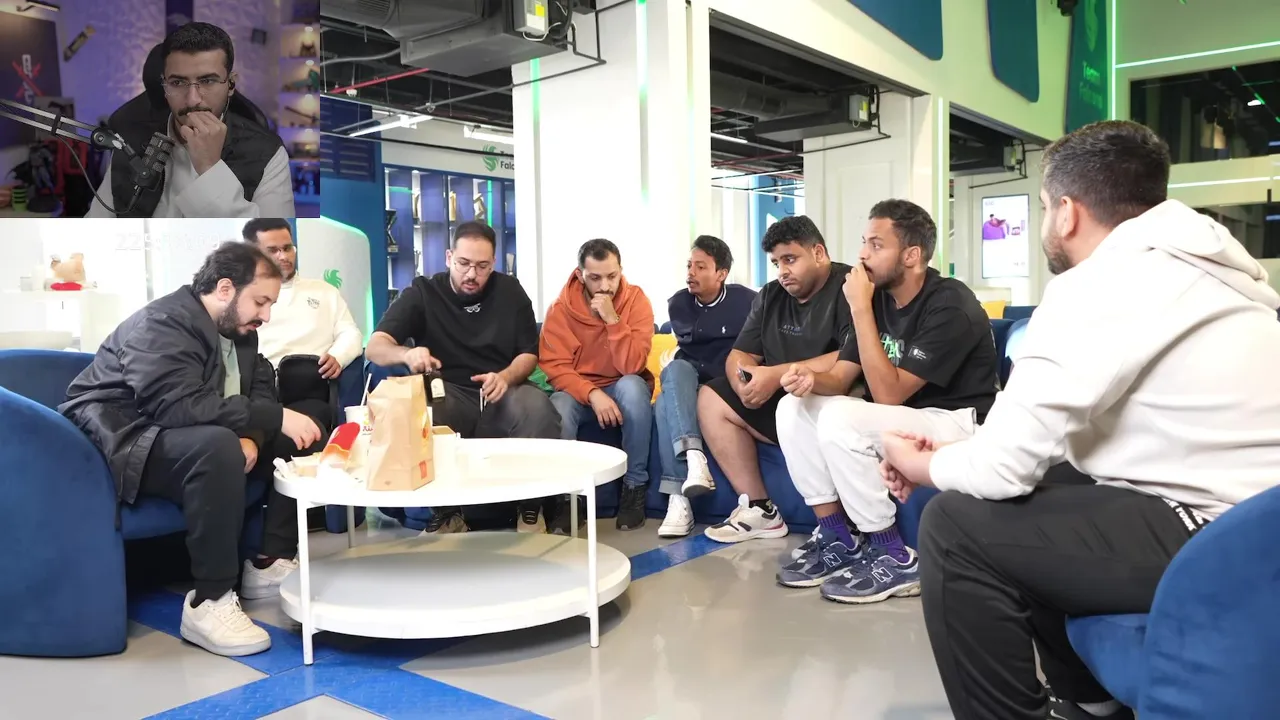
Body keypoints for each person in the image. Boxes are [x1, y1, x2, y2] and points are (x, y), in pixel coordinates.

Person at [878, 121, 1280, 720]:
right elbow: (1041, 444)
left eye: (1044, 207)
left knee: (955, 527)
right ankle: (1091, 703)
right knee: (1046, 485)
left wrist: (921, 465)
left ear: (1067, 213)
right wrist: (948, 447)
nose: (1047, 221)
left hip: (1222, 538)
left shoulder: (1101, 283)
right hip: (1259, 521)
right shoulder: (1211, 276)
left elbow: (1001, 470)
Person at [59, 242, 324, 657]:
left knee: (301, 428)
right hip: (124, 436)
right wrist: (265, 420)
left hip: (180, 428)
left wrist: (254, 436)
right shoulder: (162, 323)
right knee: (219, 446)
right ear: (225, 288)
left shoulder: (240, 330)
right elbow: (175, 405)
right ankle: (209, 602)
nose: (266, 315)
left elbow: (259, 389)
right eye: (260, 302)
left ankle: (268, 561)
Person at [772, 199, 998, 602]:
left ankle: (894, 555)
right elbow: (841, 377)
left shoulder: (950, 303)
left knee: (841, 418)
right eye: (863, 242)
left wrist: (859, 308)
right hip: (905, 417)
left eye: (876, 245)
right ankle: (839, 537)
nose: (862, 254)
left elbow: (889, 395)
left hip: (956, 422)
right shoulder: (877, 299)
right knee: (793, 407)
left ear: (911, 255)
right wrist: (810, 378)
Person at [366, 221, 561, 533]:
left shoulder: (511, 292)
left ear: (493, 263)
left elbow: (528, 354)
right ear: (448, 258)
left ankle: (529, 507)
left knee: (537, 408)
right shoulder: (424, 292)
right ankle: (447, 512)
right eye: (463, 263)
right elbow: (375, 347)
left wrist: (506, 376)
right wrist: (407, 354)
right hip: (448, 390)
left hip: (502, 389)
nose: (472, 274)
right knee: (422, 407)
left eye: (482, 266)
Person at [696, 215, 854, 544]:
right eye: (776, 263)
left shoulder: (849, 287)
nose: (782, 271)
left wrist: (775, 374)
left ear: (818, 253)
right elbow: (740, 354)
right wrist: (744, 382)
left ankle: (841, 527)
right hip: (780, 399)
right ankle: (760, 509)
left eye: (790, 259)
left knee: (798, 408)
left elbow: (850, 356)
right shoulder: (770, 295)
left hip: (832, 401)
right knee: (711, 397)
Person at [87, 22, 293, 218]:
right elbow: (97, 227)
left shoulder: (267, 153)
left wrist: (210, 167)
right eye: (178, 83)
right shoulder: (129, 142)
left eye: (208, 81)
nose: (193, 99)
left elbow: (273, 238)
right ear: (164, 85)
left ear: (231, 85)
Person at [541, 239, 655, 533]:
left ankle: (634, 487)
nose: (605, 286)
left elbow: (633, 365)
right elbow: (556, 369)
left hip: (621, 386)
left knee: (633, 387)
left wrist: (613, 320)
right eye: (595, 278)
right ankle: (568, 497)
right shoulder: (560, 309)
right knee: (559, 405)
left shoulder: (636, 300)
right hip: (579, 392)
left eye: (612, 276)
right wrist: (591, 393)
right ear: (580, 275)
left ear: (621, 271)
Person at [654, 235, 756, 537]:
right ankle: (694, 462)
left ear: (721, 273)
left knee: (664, 405)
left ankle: (678, 499)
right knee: (674, 372)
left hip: (725, 387)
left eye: (700, 267)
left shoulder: (746, 302)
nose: (691, 273)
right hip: (690, 381)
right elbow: (687, 352)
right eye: (689, 266)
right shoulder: (678, 304)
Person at [243, 219, 363, 377]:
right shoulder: (241, 297)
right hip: (262, 381)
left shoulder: (325, 291)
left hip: (317, 379)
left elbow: (351, 334)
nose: (283, 256)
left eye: (287, 248)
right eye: (273, 250)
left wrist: (338, 357)